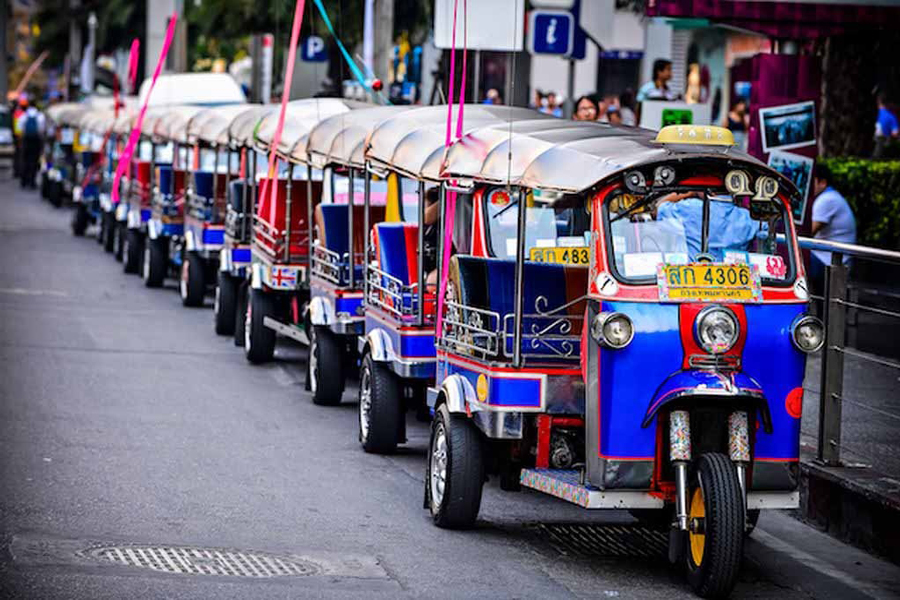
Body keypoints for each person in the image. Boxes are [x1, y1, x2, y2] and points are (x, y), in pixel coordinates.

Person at [808, 163, 856, 296]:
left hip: (830, 260)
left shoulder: (827, 200)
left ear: (822, 183)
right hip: (828, 256)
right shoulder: (831, 197)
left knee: (791, 257)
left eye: (812, 181)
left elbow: (809, 232)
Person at [17, 100, 45, 189]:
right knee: (34, 161)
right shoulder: (40, 116)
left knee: (25, 160)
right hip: (36, 141)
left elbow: (20, 128)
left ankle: (24, 181)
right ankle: (32, 181)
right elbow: (42, 129)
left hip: (26, 140)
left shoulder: (24, 115)